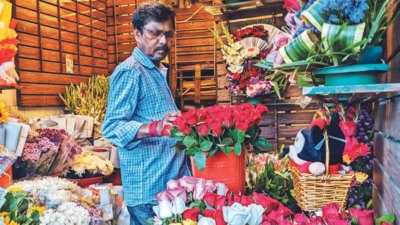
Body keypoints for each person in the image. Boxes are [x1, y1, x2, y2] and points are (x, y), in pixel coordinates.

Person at [102, 2, 189, 224]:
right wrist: (154, 128)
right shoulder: (131, 71)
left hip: (167, 187)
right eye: (155, 33)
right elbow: (111, 128)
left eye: (168, 35)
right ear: (137, 34)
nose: (163, 41)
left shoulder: (155, 70)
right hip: (148, 193)